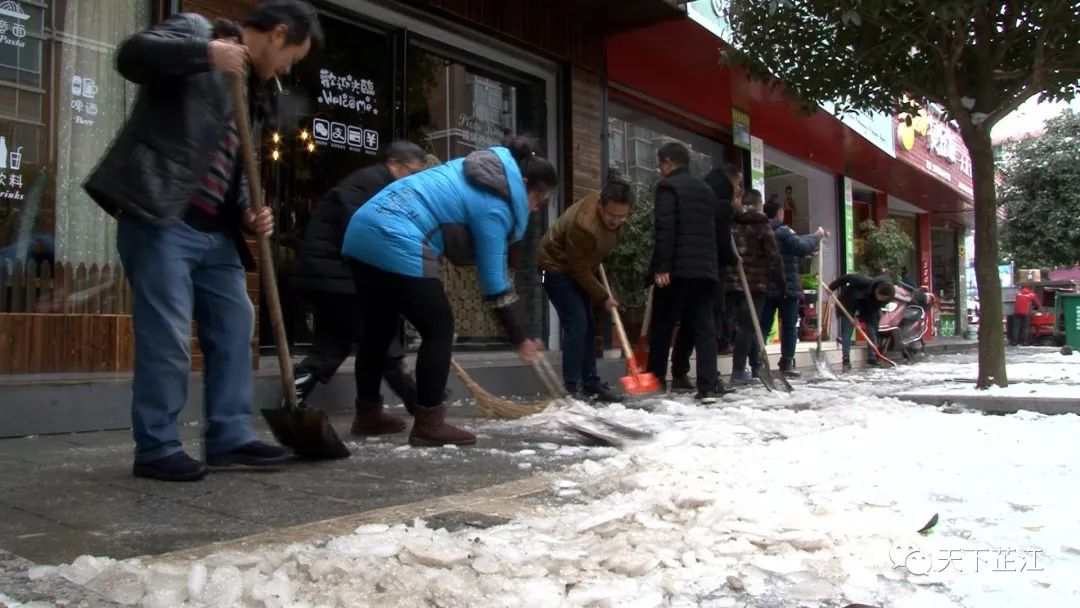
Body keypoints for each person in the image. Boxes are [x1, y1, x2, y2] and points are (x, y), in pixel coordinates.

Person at [83, 1, 324, 481]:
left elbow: (234, 167)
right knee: (168, 335)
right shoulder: (198, 30)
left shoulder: (252, 91)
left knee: (236, 324)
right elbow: (132, 56)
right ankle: (157, 447)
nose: (286, 69)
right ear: (278, 34)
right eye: (292, 58)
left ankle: (229, 436)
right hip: (161, 215)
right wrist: (206, 54)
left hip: (216, 233)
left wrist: (249, 211)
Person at [342, 137, 555, 446]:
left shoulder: (471, 170)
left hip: (361, 232)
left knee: (379, 328)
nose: (535, 209)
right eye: (538, 199)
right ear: (522, 183)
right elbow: (495, 282)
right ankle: (429, 424)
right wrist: (520, 337)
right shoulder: (496, 203)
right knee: (439, 327)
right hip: (397, 237)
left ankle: (368, 414)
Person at [291, 142, 427, 427]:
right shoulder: (371, 184)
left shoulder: (372, 183)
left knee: (333, 343)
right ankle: (419, 403)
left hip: (329, 273)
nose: (416, 181)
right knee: (380, 335)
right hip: (337, 273)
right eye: (414, 173)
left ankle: (294, 397)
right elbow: (366, 229)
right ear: (394, 164)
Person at [538, 180, 632, 402]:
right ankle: (571, 387)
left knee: (588, 324)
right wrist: (603, 296)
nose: (616, 221)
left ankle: (591, 383)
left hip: (579, 267)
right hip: (552, 268)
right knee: (577, 322)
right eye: (611, 215)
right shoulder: (584, 226)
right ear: (600, 205)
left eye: (622, 216)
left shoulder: (617, 214)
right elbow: (577, 268)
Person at [645, 142, 724, 402]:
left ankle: (656, 381)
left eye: (660, 164)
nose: (660, 170)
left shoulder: (668, 187)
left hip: (677, 270)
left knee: (662, 325)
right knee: (703, 327)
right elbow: (714, 232)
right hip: (705, 270)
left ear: (668, 162)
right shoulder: (706, 190)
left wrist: (662, 266)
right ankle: (708, 386)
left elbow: (665, 227)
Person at [669, 163, 742, 392]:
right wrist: (734, 259)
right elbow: (722, 243)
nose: (738, 189)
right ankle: (709, 380)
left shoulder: (698, 203)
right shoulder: (722, 206)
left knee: (690, 324)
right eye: (737, 184)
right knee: (708, 325)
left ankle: (680, 372)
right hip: (711, 272)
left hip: (687, 271)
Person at [761, 199, 824, 378]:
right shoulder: (783, 230)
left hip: (766, 285)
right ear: (780, 213)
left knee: (763, 325)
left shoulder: (761, 230)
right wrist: (816, 236)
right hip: (786, 287)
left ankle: (757, 362)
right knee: (789, 326)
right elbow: (801, 247)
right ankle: (787, 362)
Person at [727, 189, 784, 385]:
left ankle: (756, 365)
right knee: (749, 326)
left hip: (732, 283)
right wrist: (781, 283)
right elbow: (773, 256)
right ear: (759, 204)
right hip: (756, 283)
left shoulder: (732, 222)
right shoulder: (761, 223)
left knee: (747, 326)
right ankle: (738, 370)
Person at [828, 273, 896, 370]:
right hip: (849, 303)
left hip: (868, 309)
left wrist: (859, 318)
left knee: (872, 331)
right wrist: (831, 288)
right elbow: (846, 278)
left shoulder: (886, 297)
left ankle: (872, 358)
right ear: (877, 289)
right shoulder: (863, 281)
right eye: (879, 295)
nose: (879, 298)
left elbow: (873, 309)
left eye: (882, 298)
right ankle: (846, 360)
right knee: (847, 331)